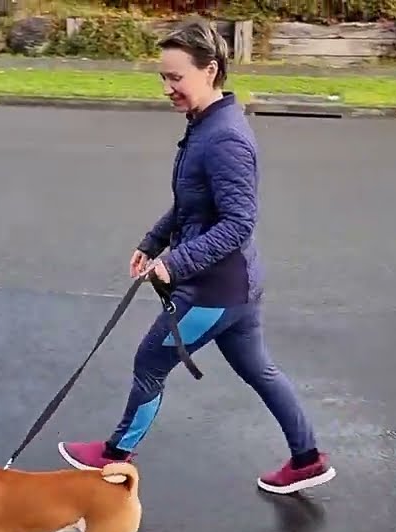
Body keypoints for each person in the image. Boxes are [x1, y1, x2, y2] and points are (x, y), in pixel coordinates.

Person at [56, 19, 336, 494]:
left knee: (150, 361)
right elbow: (193, 202)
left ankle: (116, 454)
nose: (168, 88)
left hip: (214, 291)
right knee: (258, 370)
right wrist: (152, 242)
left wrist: (176, 263)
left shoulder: (225, 139)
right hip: (236, 286)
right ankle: (307, 458)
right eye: (163, 77)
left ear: (210, 71)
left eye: (176, 78)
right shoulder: (206, 126)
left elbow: (238, 223)